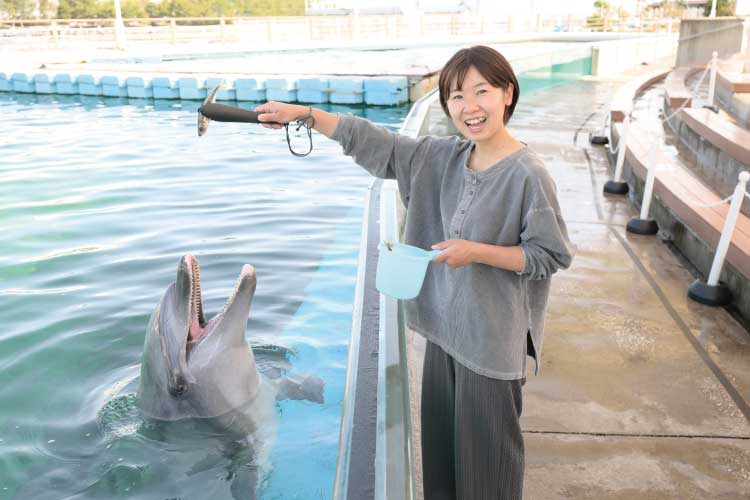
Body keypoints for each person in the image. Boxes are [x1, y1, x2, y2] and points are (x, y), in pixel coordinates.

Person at [255, 45, 575, 500]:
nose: (469, 107)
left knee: (489, 473)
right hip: (445, 336)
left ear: (507, 94)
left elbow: (551, 254)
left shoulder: (529, 173)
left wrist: (476, 252)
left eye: (481, 91)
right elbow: (373, 142)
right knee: (441, 465)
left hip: (490, 345)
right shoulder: (439, 156)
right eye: (456, 96)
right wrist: (305, 115)